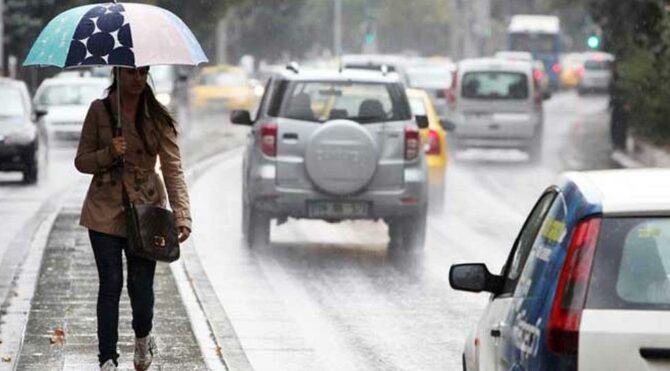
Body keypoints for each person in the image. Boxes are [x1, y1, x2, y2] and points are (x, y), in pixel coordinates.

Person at [74, 66, 192, 371]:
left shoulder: (157, 115)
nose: (138, 79)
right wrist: (109, 153)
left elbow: (172, 168)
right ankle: (107, 358)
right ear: (117, 73)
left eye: (143, 72)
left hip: (146, 210)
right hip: (105, 209)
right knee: (110, 283)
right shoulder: (100, 111)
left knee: (141, 286)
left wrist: (181, 215)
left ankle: (143, 338)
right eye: (131, 73)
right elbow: (82, 161)